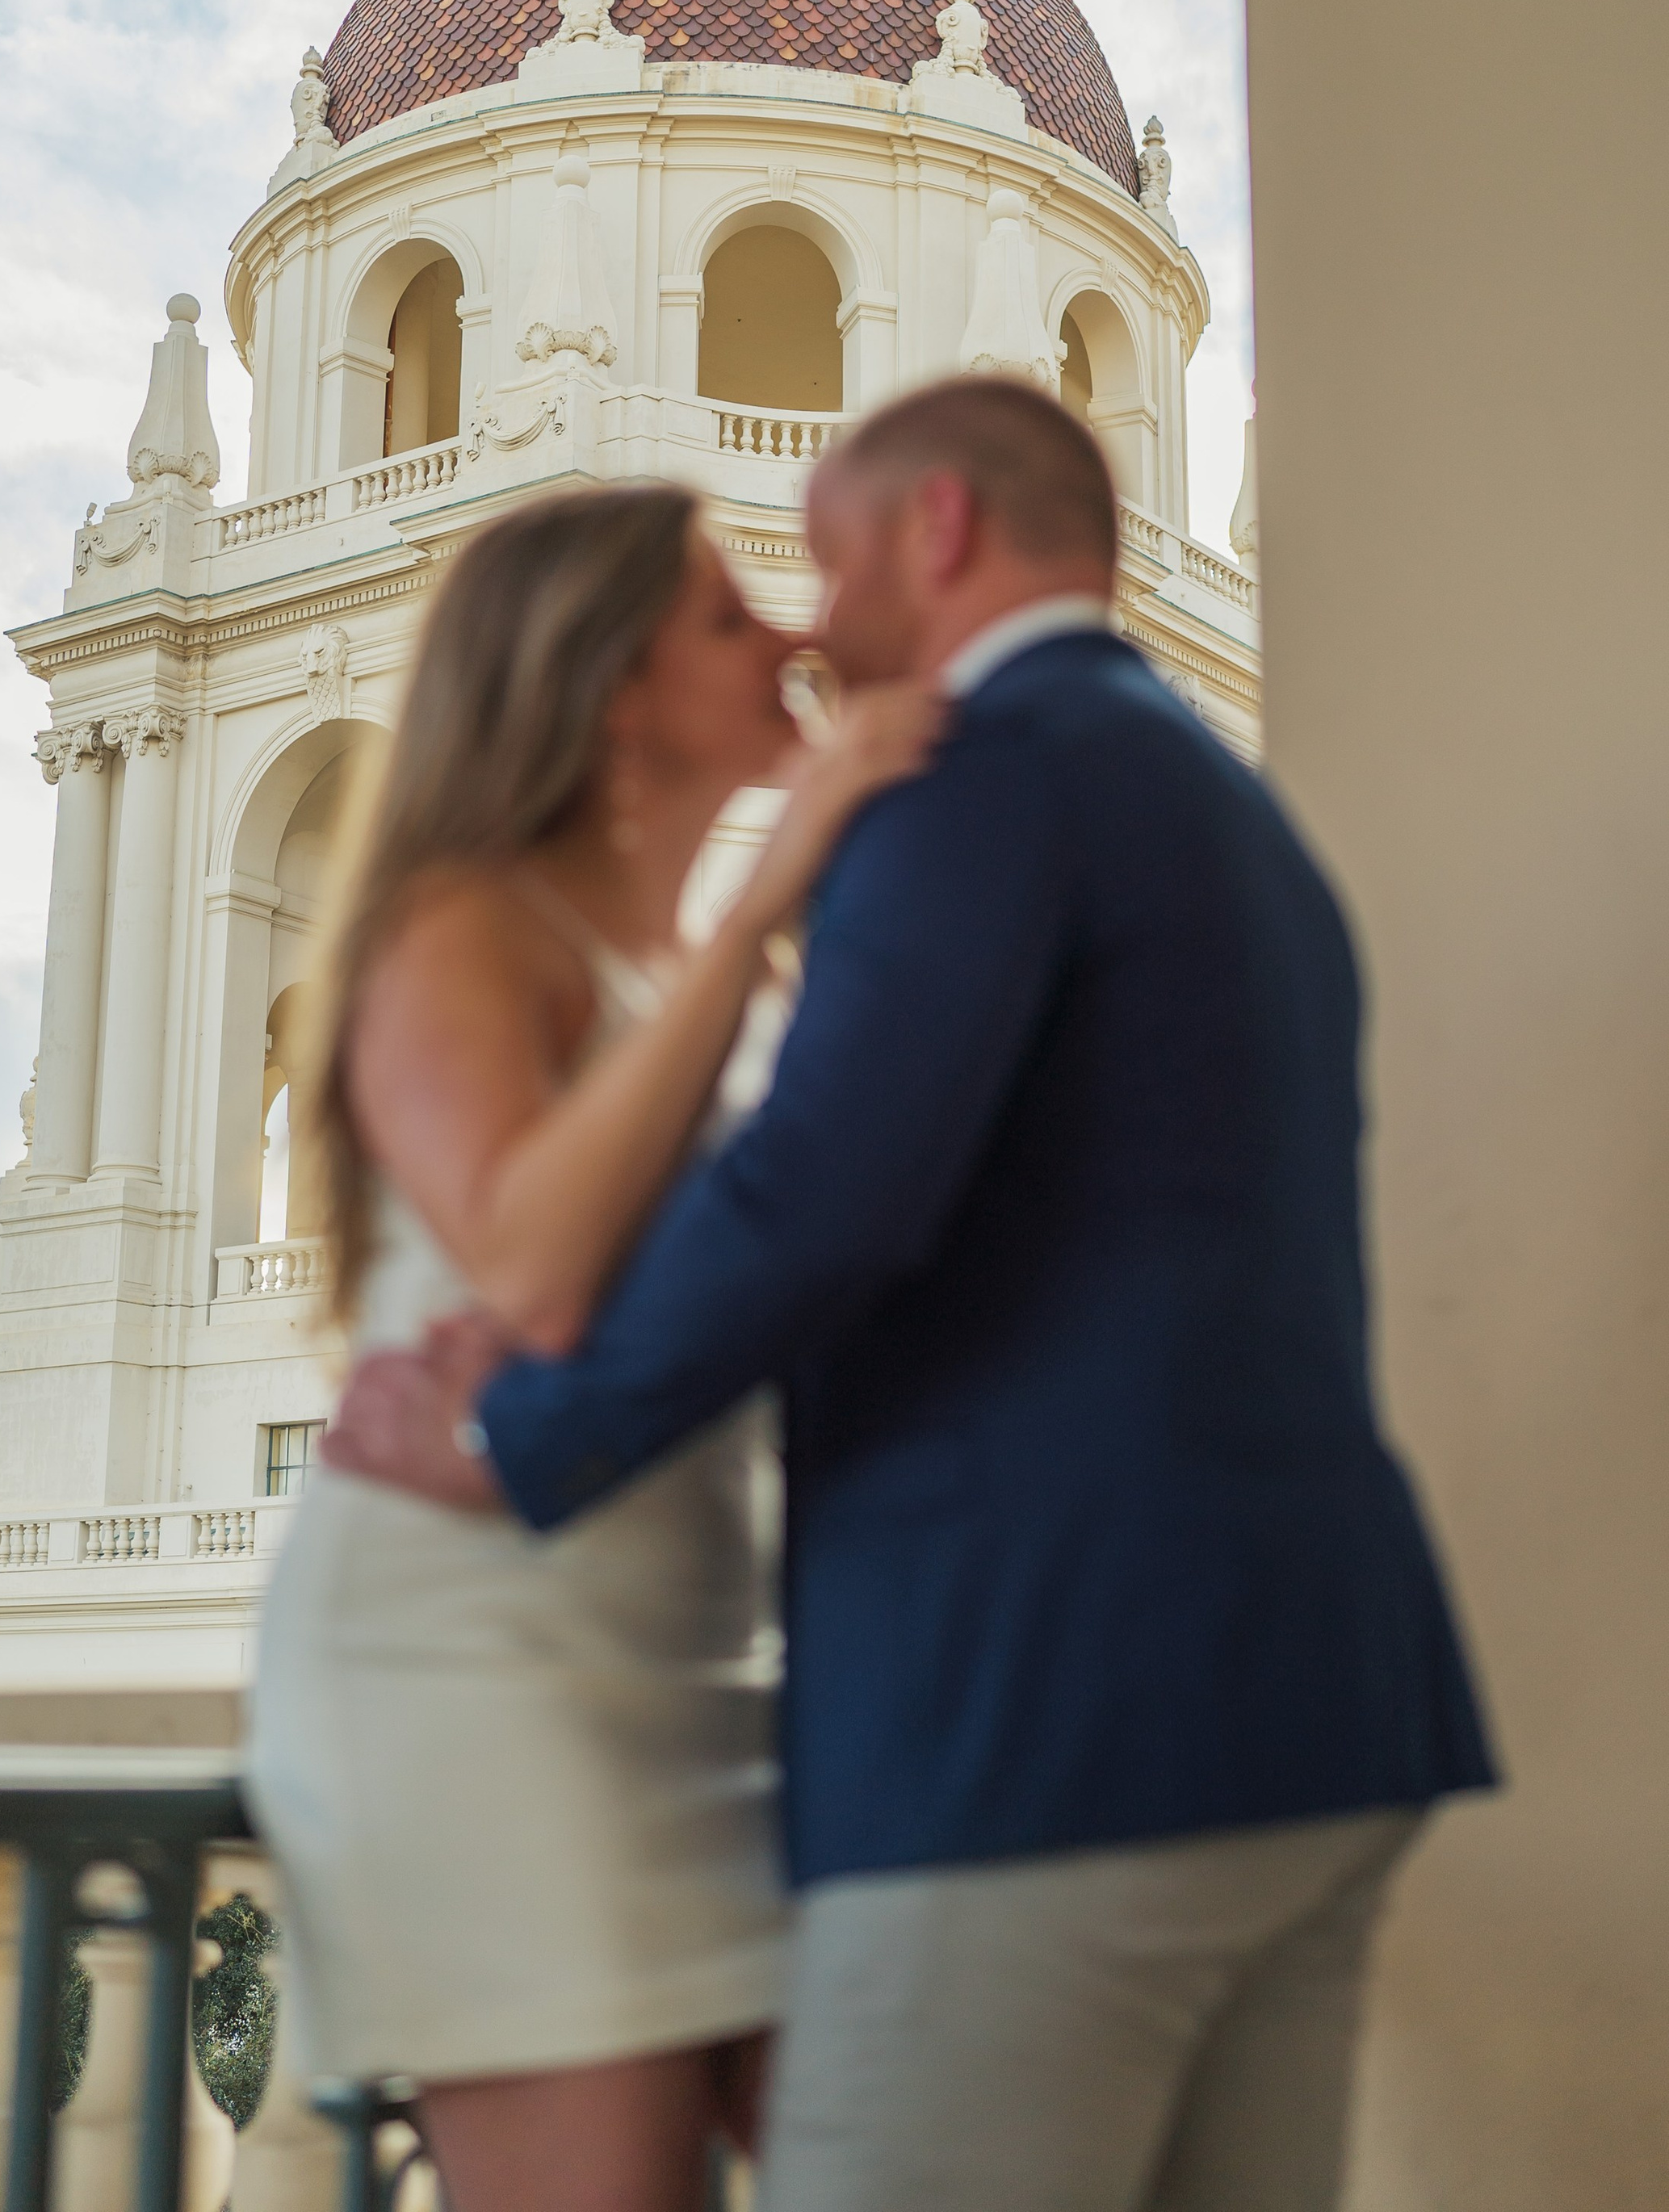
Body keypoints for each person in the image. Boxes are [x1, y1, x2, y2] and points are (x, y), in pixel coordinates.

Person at [325, 375, 1497, 2212]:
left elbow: (817, 1198)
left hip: (1041, 1723)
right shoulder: (1224, 806)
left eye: (819, 562)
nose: (807, 625)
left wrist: (521, 1434)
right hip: (1318, 1719)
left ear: (934, 533)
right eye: (745, 599)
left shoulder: (976, 775)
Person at [243, 482, 946, 2212]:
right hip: (478, 1675)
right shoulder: (460, 924)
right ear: (610, 686)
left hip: (705, 1665)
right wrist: (763, 889)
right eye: (727, 618)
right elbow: (539, 1267)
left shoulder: (728, 980)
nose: (789, 637)